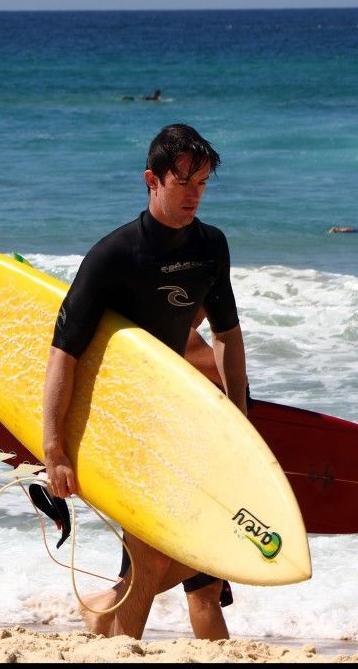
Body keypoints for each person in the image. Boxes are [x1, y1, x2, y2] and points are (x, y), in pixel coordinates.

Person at [42, 123, 248, 641]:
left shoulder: (210, 246)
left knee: (196, 572)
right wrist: (55, 448)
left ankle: (114, 622)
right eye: (183, 183)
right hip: (122, 424)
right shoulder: (114, 256)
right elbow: (62, 353)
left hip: (181, 417)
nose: (194, 195)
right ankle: (114, 634)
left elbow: (227, 335)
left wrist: (240, 421)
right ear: (151, 180)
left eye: (202, 184)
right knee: (153, 552)